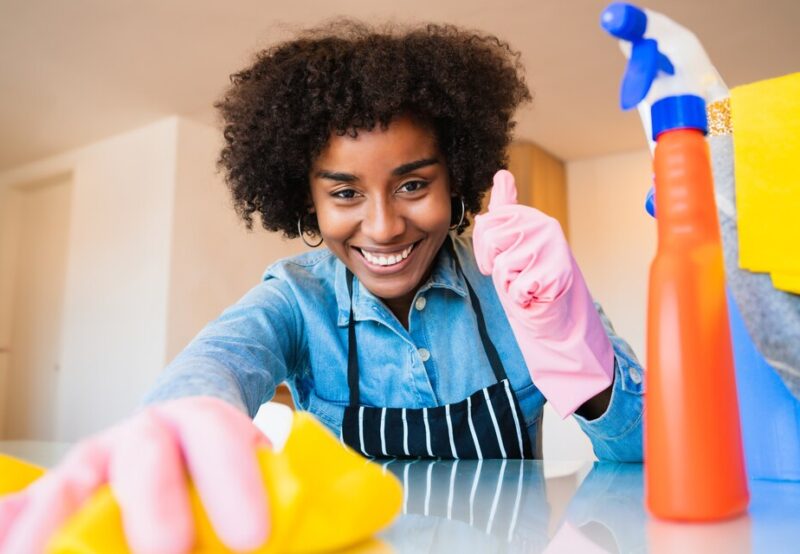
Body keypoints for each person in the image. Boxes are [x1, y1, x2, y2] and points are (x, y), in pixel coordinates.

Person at [0, 21, 644, 553]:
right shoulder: (295, 297)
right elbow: (218, 361)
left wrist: (578, 356)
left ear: (457, 177)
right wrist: (183, 417)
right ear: (305, 200)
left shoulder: (525, 287)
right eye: (344, 193)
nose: (385, 226)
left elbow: (649, 455)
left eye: (414, 184)